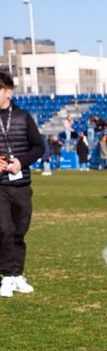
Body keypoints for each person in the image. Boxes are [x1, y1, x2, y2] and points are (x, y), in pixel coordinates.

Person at [0, 71, 44, 298]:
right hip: (0, 186)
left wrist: (21, 161)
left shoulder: (23, 116)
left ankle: (16, 274)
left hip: (21, 184)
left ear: (8, 92)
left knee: (19, 230)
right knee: (3, 229)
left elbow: (39, 147)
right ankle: (7, 276)